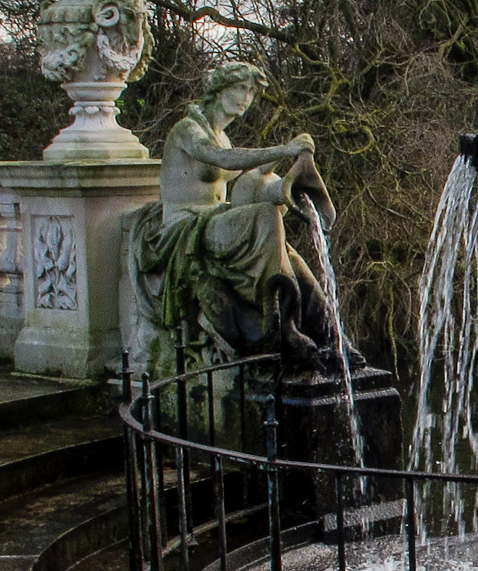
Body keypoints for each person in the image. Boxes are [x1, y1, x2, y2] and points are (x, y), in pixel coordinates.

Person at [126, 63, 345, 376]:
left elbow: (248, 176)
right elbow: (222, 159)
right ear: (218, 89)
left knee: (288, 251)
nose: (246, 98)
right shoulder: (188, 129)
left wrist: (294, 162)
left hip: (212, 220)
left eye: (252, 92)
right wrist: (283, 149)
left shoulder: (223, 136)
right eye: (240, 88)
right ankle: (277, 322)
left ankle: (327, 332)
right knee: (264, 216)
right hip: (183, 227)